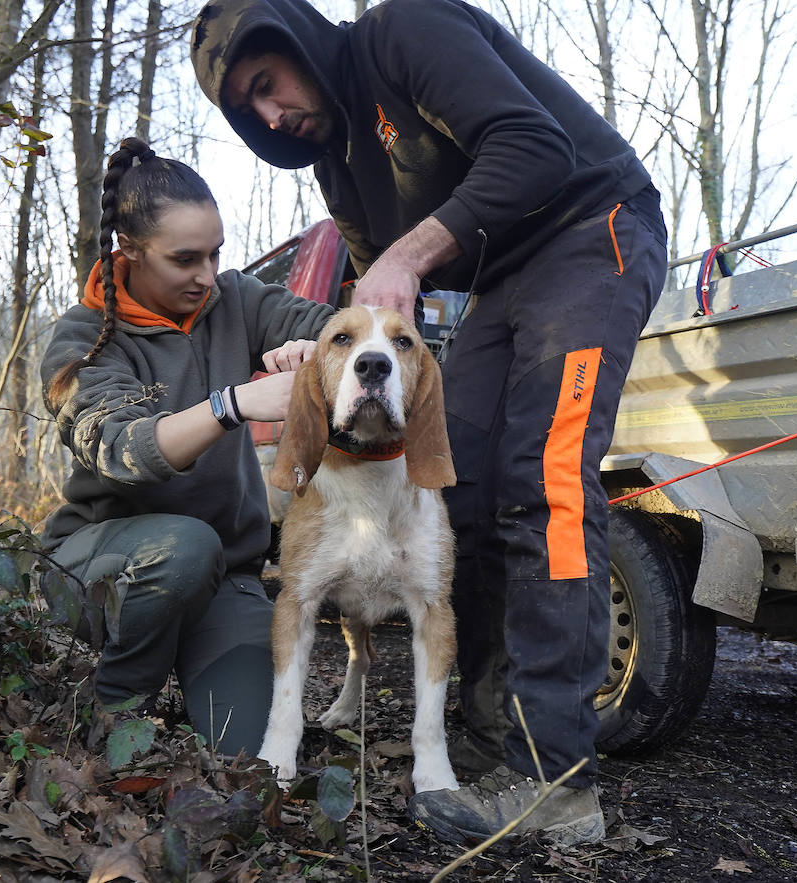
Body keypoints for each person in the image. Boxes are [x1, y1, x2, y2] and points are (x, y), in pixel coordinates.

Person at [192, 0, 669, 846]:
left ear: (297, 39)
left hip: (592, 228)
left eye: (267, 83)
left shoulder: (400, 34)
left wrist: (407, 256)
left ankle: (554, 782)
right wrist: (321, 359)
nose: (271, 114)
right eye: (249, 111)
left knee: (542, 478)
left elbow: (535, 146)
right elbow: (371, 310)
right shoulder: (336, 170)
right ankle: (488, 745)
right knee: (460, 487)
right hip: (499, 284)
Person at [38, 136, 333, 757]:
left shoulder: (238, 300)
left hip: (226, 574)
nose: (206, 276)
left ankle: (194, 659)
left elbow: (336, 327)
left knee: (251, 753)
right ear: (132, 253)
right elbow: (124, 451)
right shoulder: (84, 338)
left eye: (216, 255)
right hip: (102, 566)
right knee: (183, 545)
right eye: (185, 259)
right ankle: (118, 707)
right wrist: (234, 404)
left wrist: (319, 349)